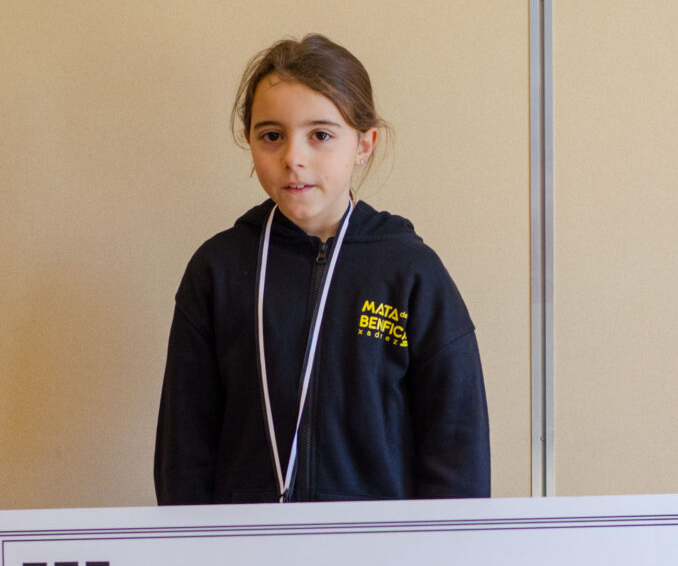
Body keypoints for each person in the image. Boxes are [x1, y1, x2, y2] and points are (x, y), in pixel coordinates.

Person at [154, 33, 490, 505]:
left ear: (364, 144)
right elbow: (184, 449)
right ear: (250, 141)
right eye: (271, 135)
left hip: (381, 546)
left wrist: (439, 546)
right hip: (248, 549)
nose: (293, 157)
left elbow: (457, 446)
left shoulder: (411, 272)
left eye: (321, 135)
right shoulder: (218, 270)